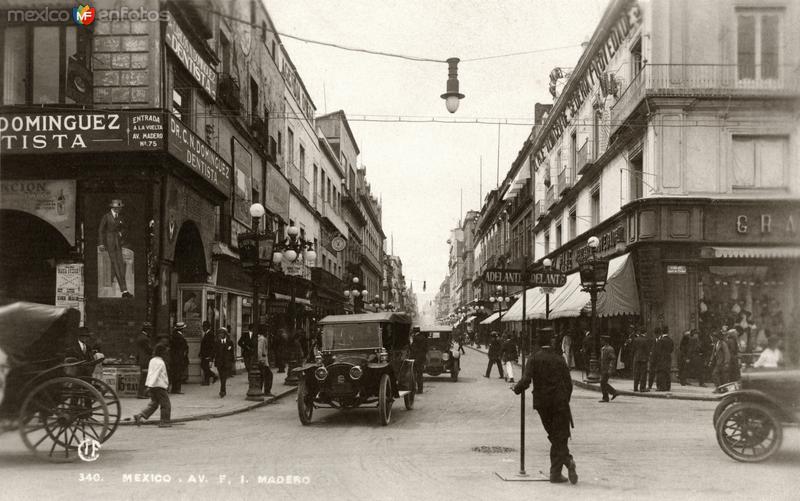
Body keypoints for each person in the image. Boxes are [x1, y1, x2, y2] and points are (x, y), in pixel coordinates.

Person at [512, 329, 578, 485]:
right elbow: (569, 384)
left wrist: (516, 389)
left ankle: (559, 471)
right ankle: (561, 467)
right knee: (559, 436)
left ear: (538, 342)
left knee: (555, 437)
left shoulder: (534, 358)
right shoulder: (559, 359)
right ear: (552, 341)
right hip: (560, 404)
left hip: (543, 405)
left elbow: (526, 380)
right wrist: (564, 400)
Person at [98, 199, 132, 298]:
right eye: (119, 208)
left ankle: (124, 290)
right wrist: (101, 243)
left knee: (120, 264)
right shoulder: (106, 216)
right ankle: (124, 290)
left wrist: (121, 233)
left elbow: (125, 228)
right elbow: (100, 230)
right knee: (115, 264)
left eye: (120, 208)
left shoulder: (120, 217)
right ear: (114, 208)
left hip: (117, 242)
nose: (120, 209)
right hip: (109, 243)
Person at [133, 344, 171, 427]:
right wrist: (150, 385)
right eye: (165, 352)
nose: (166, 354)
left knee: (154, 403)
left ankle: (140, 415)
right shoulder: (160, 363)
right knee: (166, 404)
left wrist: (148, 385)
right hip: (159, 386)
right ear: (162, 353)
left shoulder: (152, 360)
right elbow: (155, 374)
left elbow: (150, 374)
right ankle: (164, 421)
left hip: (152, 385)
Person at [214, 327, 235, 397]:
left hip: (226, 363)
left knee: (224, 377)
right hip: (219, 362)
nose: (220, 335)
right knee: (222, 376)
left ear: (225, 334)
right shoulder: (217, 342)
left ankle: (222, 391)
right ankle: (223, 390)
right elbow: (215, 352)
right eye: (219, 333)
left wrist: (232, 362)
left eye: (222, 333)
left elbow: (232, 353)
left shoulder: (230, 342)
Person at [169, 322, 188, 394]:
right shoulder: (178, 336)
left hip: (176, 357)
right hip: (178, 358)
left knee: (176, 373)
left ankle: (175, 388)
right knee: (177, 373)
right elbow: (181, 347)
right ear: (181, 329)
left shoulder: (176, 335)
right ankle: (176, 389)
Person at [599, 335, 619, 402]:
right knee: (603, 382)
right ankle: (613, 393)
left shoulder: (610, 349)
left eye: (601, 340)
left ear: (605, 341)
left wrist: (610, 368)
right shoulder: (603, 348)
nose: (600, 341)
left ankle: (607, 396)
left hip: (607, 368)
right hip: (603, 368)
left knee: (602, 382)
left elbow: (613, 359)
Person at [136, 323, 153, 398]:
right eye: (149, 329)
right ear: (147, 330)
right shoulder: (145, 338)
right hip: (145, 359)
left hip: (142, 359)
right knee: (144, 377)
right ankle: (141, 393)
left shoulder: (140, 337)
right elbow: (148, 349)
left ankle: (143, 392)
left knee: (144, 376)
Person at [199, 321, 218, 386]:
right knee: (205, 367)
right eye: (203, 326)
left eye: (204, 326)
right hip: (205, 354)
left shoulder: (210, 334)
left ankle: (213, 376)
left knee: (204, 366)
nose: (203, 328)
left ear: (207, 327)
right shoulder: (207, 334)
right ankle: (207, 381)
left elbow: (212, 346)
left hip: (207, 354)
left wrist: (211, 355)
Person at [257, 327, 274, 396]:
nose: (267, 333)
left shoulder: (262, 338)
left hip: (263, 360)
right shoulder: (262, 339)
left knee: (262, 376)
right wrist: (260, 359)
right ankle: (266, 391)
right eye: (267, 331)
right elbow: (259, 350)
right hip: (263, 361)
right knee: (268, 375)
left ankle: (261, 391)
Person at [410, 328, 428, 393]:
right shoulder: (423, 338)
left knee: (414, 374)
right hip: (422, 359)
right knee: (420, 374)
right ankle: (420, 389)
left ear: (414, 332)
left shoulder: (415, 338)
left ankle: (415, 389)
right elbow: (426, 349)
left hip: (416, 358)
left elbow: (413, 348)